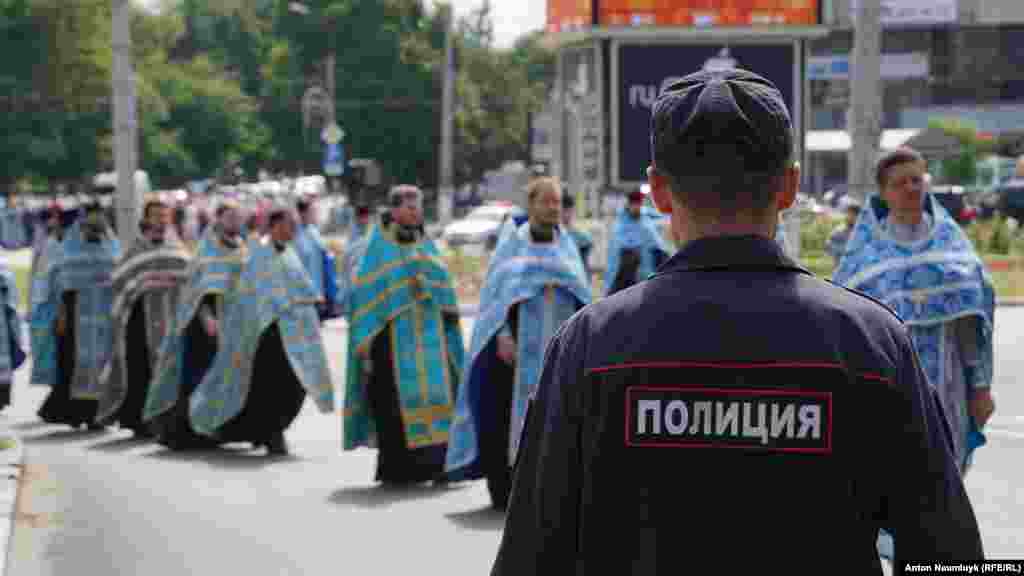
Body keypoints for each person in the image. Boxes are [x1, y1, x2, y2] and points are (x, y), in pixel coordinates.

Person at [490, 68, 983, 574]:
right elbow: (950, 554)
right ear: (790, 186)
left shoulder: (591, 348)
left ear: (659, 191)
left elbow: (533, 554)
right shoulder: (871, 344)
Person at [445, 177, 592, 510]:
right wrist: (503, 336)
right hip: (514, 352)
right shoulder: (513, 245)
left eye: (557, 202)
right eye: (546, 202)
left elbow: (582, 296)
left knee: (557, 419)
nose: (553, 208)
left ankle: (547, 489)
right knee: (505, 419)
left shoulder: (568, 246)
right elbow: (497, 300)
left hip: (556, 349)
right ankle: (505, 489)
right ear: (532, 205)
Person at [342, 185, 464, 485]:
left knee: (438, 398)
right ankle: (398, 468)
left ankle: (438, 464)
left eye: (419, 206)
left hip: (430, 337)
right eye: (410, 207)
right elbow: (366, 292)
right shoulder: (379, 245)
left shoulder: (425, 241)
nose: (416, 212)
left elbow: (442, 281)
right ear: (395, 209)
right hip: (391, 340)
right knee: (394, 404)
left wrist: (439, 294)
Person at [189, 206, 333, 455]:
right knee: (269, 388)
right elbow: (252, 293)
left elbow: (300, 286)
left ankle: (267, 431)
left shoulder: (290, 253)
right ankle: (270, 433)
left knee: (295, 386)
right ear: (276, 225)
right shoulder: (258, 254)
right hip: (266, 335)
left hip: (292, 335)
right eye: (290, 224)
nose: (295, 229)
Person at [145, 199, 248, 450]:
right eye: (230, 217)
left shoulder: (242, 248)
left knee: (228, 377)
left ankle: (221, 427)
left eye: (238, 217)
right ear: (219, 219)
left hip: (233, 323)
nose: (235, 222)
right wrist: (206, 318)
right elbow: (197, 289)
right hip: (206, 324)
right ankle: (190, 431)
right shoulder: (207, 249)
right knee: (201, 377)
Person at [95, 198, 191, 437]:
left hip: (171, 316)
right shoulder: (137, 248)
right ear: (146, 219)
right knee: (141, 370)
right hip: (141, 317)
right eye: (156, 215)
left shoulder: (176, 246)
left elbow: (190, 275)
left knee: (169, 369)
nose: (160, 220)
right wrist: (145, 283)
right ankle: (140, 421)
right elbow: (120, 279)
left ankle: (166, 419)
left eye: (164, 215)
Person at [36, 202, 121, 429]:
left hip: (103, 316)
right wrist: (61, 316)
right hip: (75, 315)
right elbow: (61, 287)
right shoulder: (70, 250)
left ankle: (98, 414)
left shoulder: (112, 248)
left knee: (102, 366)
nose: (94, 228)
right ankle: (73, 413)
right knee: (73, 363)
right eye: (90, 224)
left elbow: (119, 279)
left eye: (98, 223)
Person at [603, 187, 671, 296]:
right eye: (635, 204)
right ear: (629, 204)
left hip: (646, 275)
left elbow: (658, 245)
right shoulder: (621, 224)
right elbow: (617, 253)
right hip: (626, 277)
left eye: (639, 204)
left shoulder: (645, 219)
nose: (637, 207)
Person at [292, 196, 340, 321]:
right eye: (312, 211)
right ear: (302, 213)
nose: (314, 214)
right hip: (302, 295)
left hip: (317, 293)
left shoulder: (313, 231)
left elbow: (325, 259)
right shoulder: (293, 234)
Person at [561, 193, 593, 278]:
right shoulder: (550, 234)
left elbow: (584, 264)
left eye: (569, 211)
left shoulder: (582, 236)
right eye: (564, 211)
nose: (566, 215)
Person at [826, 195, 863, 263]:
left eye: (854, 214)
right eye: (849, 214)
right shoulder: (839, 231)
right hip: (842, 267)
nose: (851, 217)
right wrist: (844, 250)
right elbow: (829, 246)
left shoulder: (863, 232)